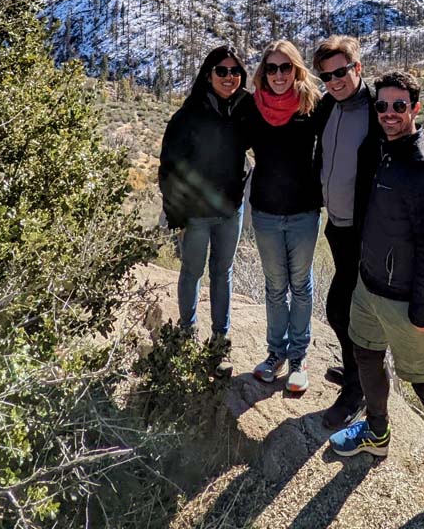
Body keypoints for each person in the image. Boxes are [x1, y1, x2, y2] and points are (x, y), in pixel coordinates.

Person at [330, 71, 424, 528]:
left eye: (398, 107)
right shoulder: (381, 150)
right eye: (382, 106)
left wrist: (422, 310)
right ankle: (377, 432)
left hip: (407, 299)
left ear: (414, 110)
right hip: (369, 287)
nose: (388, 114)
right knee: (366, 354)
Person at [158, 45, 251, 370]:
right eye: (222, 71)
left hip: (230, 211)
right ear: (208, 74)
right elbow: (169, 166)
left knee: (222, 273)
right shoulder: (189, 114)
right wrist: (175, 215)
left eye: (235, 71)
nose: (229, 77)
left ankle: (218, 345)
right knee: (192, 272)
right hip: (195, 215)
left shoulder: (244, 109)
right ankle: (186, 336)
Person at [311, 35, 384, 431]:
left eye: (341, 72)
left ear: (357, 68)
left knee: (345, 308)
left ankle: (358, 390)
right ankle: (354, 374)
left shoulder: (376, 110)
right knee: (345, 307)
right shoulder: (328, 107)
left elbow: (405, 143)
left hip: (364, 230)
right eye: (327, 76)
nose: (335, 81)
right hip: (336, 226)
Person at [245, 40, 322, 393]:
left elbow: (345, 135)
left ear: (296, 69)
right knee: (275, 287)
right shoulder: (253, 107)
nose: (278, 75)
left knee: (300, 287)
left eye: (285, 67)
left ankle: (298, 359)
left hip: (304, 211)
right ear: (264, 71)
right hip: (266, 211)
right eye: (272, 68)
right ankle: (275, 354)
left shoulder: (311, 104)